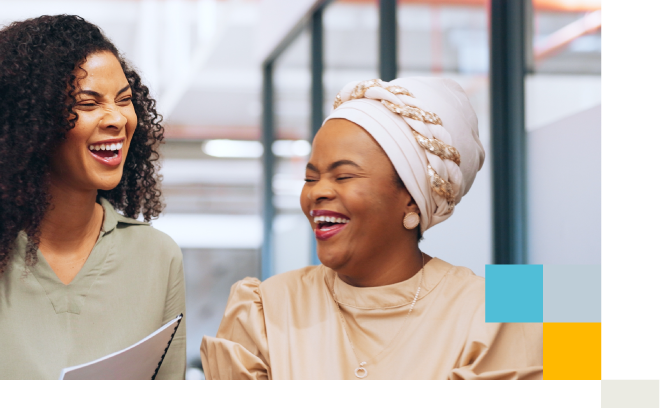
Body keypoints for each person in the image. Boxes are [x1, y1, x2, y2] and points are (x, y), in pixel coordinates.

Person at [0, 15, 185, 379]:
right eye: (88, 104)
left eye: (124, 100)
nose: (117, 119)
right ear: (30, 124)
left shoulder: (157, 257)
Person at [201, 77, 542, 380]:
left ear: (411, 199)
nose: (317, 191)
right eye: (310, 177)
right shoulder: (265, 308)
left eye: (344, 175)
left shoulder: (505, 308)